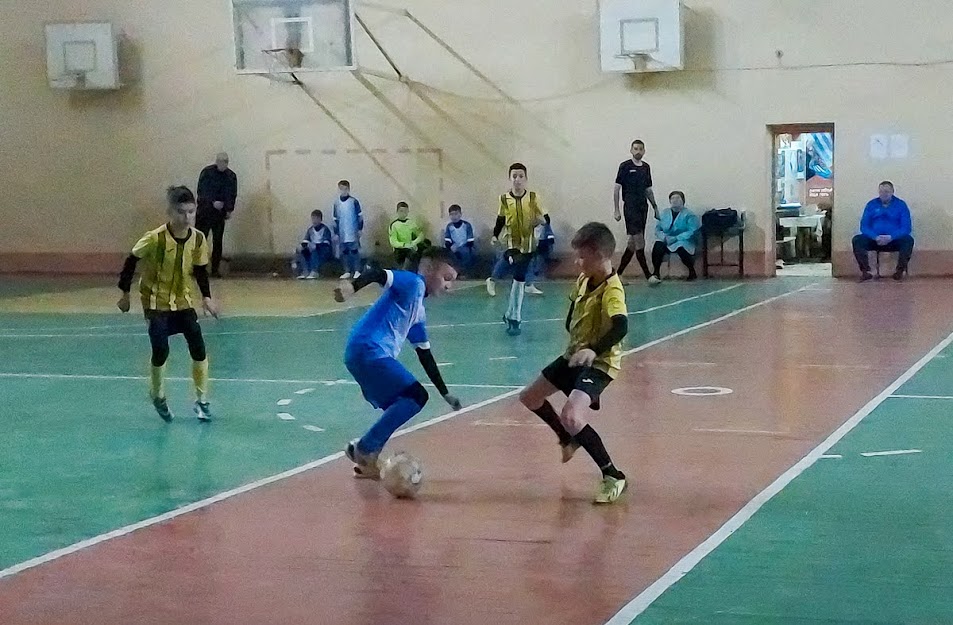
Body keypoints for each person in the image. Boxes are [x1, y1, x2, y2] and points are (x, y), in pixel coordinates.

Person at [518, 222, 628, 504]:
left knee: (572, 416)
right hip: (574, 357)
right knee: (530, 397)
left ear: (601, 255)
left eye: (583, 257)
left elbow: (620, 327)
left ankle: (612, 475)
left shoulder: (612, 290)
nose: (577, 262)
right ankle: (567, 439)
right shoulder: (582, 280)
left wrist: (593, 349)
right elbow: (572, 316)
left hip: (599, 363)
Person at [333, 247, 462, 478]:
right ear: (428, 268)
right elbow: (378, 274)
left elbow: (425, 355)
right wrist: (352, 287)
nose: (448, 286)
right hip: (368, 350)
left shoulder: (417, 311)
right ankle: (366, 448)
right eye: (446, 278)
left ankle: (363, 455)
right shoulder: (414, 283)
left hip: (361, 354)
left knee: (402, 403)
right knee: (416, 396)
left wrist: (445, 393)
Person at [117, 186, 219, 422]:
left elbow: (201, 269)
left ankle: (202, 401)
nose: (187, 218)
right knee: (161, 350)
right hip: (155, 301)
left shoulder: (198, 239)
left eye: (191, 212)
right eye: (182, 212)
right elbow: (131, 260)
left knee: (198, 347)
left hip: (182, 300)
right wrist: (124, 293)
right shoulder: (154, 238)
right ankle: (158, 395)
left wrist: (206, 297)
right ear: (170, 212)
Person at [492, 163, 549, 336]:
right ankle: (514, 316)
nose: (517, 180)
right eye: (514, 176)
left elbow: (545, 219)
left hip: (529, 244)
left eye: (520, 176)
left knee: (520, 278)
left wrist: (538, 221)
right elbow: (500, 219)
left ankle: (512, 315)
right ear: (510, 178)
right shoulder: (504, 199)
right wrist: (495, 235)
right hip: (511, 244)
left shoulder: (533, 198)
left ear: (525, 178)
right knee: (516, 267)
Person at [613, 140, 659, 281]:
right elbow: (616, 188)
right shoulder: (625, 166)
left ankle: (618, 274)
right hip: (630, 208)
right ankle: (648, 276)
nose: (638, 151)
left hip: (642, 208)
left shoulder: (646, 167)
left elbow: (648, 190)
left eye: (641, 149)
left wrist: (655, 207)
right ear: (631, 150)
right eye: (635, 149)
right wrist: (616, 209)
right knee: (640, 241)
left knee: (632, 244)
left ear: (644, 151)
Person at [852, 181, 914, 281]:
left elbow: (906, 228)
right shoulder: (871, 205)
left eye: (886, 191)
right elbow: (864, 226)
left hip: (894, 240)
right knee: (857, 240)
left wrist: (891, 237)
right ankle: (865, 271)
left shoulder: (901, 205)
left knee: (908, 240)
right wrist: (875, 237)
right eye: (881, 192)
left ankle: (899, 272)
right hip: (875, 240)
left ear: (892, 192)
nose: (883, 194)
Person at [196, 152, 238, 278]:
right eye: (221, 161)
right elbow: (201, 191)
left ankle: (214, 269)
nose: (223, 164)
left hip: (219, 215)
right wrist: (212, 202)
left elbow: (232, 194)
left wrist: (229, 209)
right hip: (204, 212)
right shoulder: (207, 173)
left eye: (225, 161)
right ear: (216, 161)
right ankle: (198, 268)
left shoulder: (231, 176)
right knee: (200, 241)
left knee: (217, 242)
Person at [649, 191, 700, 284]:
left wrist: (676, 238)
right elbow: (658, 229)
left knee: (681, 248)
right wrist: (664, 237)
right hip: (667, 239)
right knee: (658, 245)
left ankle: (692, 271)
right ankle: (656, 272)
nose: (675, 200)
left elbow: (692, 230)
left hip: (683, 239)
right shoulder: (664, 213)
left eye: (677, 198)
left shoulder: (689, 214)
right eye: (672, 198)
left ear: (683, 201)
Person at [332, 180, 364, 279]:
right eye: (341, 189)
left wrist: (359, 229)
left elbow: (360, 217)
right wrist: (336, 233)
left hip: (352, 230)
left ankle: (357, 270)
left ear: (349, 189)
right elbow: (335, 219)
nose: (343, 191)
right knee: (344, 251)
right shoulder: (336, 203)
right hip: (342, 231)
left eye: (345, 189)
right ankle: (347, 271)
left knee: (354, 250)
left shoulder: (354, 202)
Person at [294, 210, 333, 279]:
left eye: (316, 219)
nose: (314, 221)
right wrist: (302, 246)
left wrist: (315, 245)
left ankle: (314, 271)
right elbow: (306, 240)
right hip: (312, 249)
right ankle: (305, 271)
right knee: (300, 250)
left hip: (323, 251)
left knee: (314, 249)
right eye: (313, 219)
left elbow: (327, 244)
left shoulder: (325, 229)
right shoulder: (310, 230)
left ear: (320, 219)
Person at [389, 201, 427, 270]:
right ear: (397, 211)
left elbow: (420, 235)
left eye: (405, 211)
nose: (403, 213)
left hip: (410, 246)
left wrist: (414, 242)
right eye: (401, 211)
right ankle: (403, 271)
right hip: (400, 249)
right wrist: (405, 245)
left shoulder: (410, 223)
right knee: (410, 254)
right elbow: (393, 242)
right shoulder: (394, 225)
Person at [444, 204, 476, 277]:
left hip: (465, 246)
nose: (454, 216)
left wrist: (460, 247)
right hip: (453, 247)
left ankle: (464, 273)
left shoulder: (466, 225)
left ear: (460, 214)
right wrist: (451, 247)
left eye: (456, 214)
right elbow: (447, 240)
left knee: (465, 253)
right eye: (451, 214)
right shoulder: (449, 226)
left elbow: (470, 241)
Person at [525, 220, 556, 295]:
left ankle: (528, 284)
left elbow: (550, 238)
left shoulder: (545, 226)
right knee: (531, 264)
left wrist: (549, 239)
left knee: (536, 264)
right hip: (529, 245)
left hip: (539, 245)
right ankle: (528, 284)